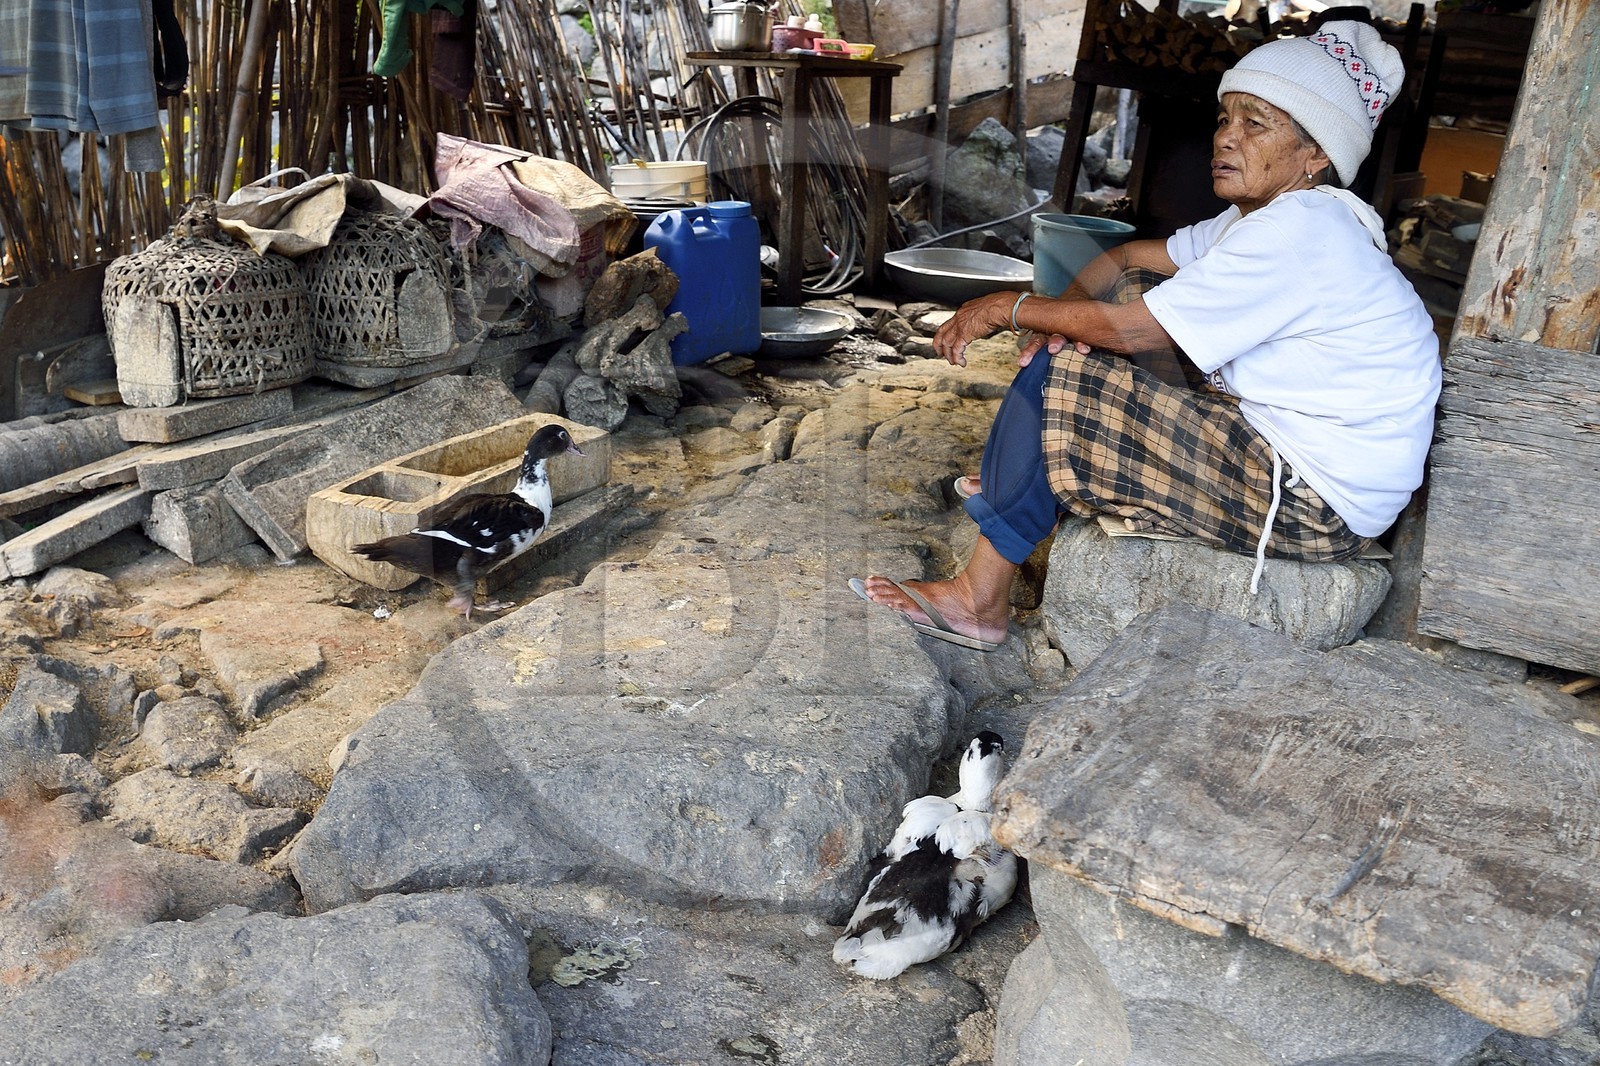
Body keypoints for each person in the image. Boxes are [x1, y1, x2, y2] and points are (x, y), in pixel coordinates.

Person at [853, 20, 1442, 652]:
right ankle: (1025, 478)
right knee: (1093, 325)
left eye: (1255, 124)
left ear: (1316, 155)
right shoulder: (1267, 221)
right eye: (1225, 119)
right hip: (1292, 460)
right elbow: (1129, 256)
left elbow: (1131, 332)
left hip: (1312, 501)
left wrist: (1015, 308)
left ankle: (979, 600)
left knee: (1075, 364)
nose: (1225, 139)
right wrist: (1057, 313)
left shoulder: (1305, 231)